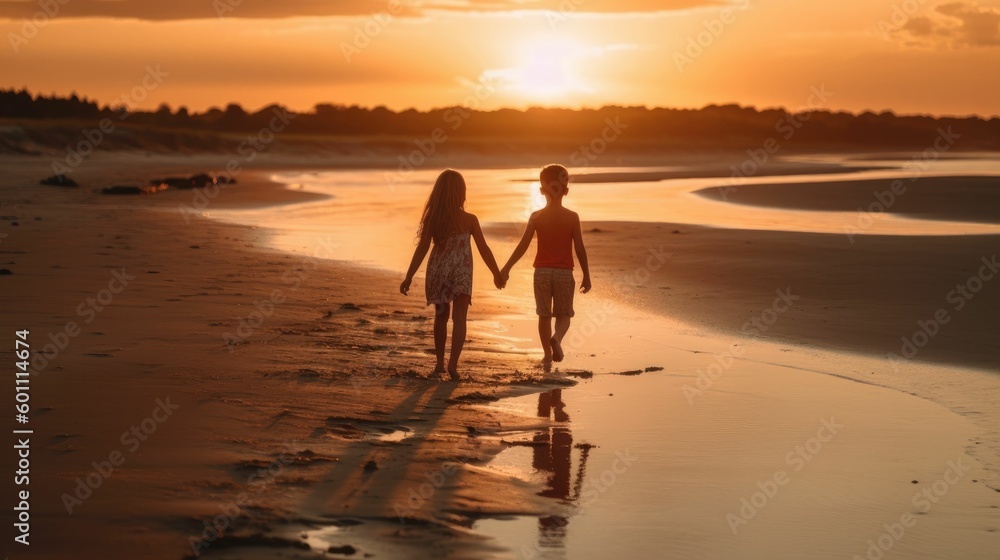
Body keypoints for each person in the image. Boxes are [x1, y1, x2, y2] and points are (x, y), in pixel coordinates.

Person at [400, 169, 505, 380]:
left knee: (441, 317)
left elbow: (422, 248)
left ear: (438, 193)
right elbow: (484, 249)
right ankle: (453, 365)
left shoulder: (434, 220)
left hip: (439, 272)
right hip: (462, 273)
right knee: (460, 319)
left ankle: (439, 363)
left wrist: (409, 276)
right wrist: (497, 273)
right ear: (461, 193)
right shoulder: (470, 219)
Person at [500, 164, 591, 364]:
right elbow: (580, 249)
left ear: (541, 191)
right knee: (564, 314)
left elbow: (522, 246)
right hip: (564, 273)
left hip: (541, 272)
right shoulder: (572, 217)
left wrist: (505, 269)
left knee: (544, 315)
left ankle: (547, 355)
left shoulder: (536, 216)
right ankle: (557, 338)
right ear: (566, 191)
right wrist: (586, 275)